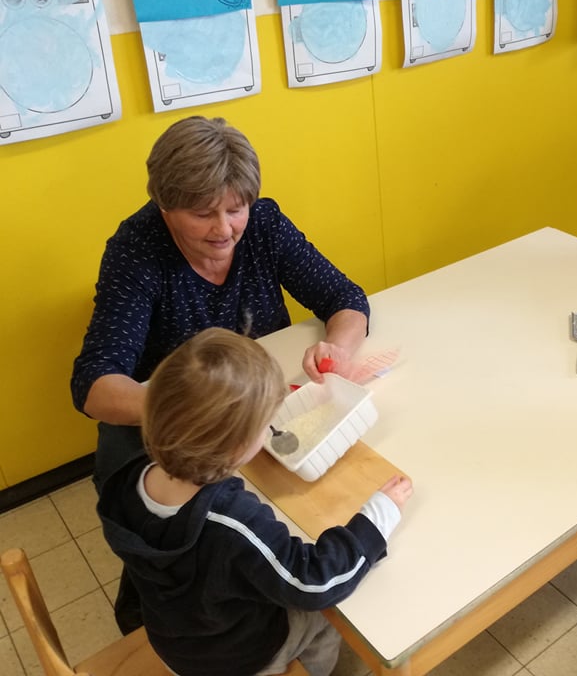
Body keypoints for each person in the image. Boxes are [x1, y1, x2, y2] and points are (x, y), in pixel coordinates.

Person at [71, 115, 370, 632]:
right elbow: (94, 384)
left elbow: (346, 299)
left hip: (259, 420)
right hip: (177, 438)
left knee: (318, 502)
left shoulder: (265, 225)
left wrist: (337, 349)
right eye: (202, 213)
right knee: (215, 545)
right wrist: (197, 403)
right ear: (164, 205)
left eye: (236, 209)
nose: (224, 229)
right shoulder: (136, 251)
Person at [97, 328, 413, 676]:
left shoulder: (126, 481)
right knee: (326, 618)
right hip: (235, 659)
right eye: (265, 426)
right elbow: (312, 582)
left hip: (177, 641)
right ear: (237, 448)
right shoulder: (231, 521)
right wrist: (376, 517)